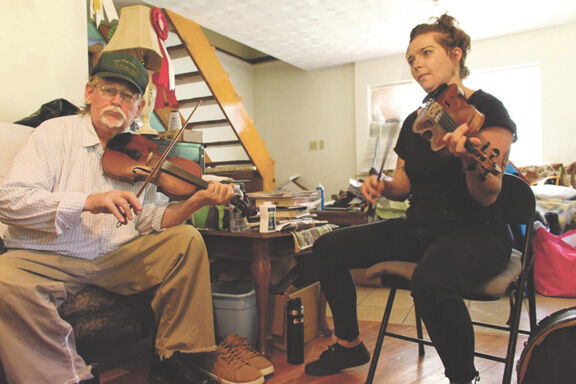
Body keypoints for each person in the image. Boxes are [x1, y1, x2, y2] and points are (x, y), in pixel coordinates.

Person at [0, 52, 269, 384]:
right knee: (3, 278)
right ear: (89, 93)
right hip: (48, 255)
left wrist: (193, 202)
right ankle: (67, 377)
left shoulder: (143, 150)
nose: (117, 101)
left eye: (128, 97)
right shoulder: (53, 134)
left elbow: (149, 219)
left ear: (139, 108)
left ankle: (177, 359)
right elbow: (9, 201)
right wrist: (87, 202)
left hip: (116, 256)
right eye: (109, 90)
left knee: (186, 240)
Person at [305, 14, 516, 384]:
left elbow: (489, 193)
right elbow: (403, 183)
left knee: (431, 281)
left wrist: (468, 158)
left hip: (476, 232)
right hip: (421, 227)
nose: (416, 63)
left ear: (455, 54)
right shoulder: (415, 122)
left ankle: (463, 378)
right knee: (325, 247)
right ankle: (349, 343)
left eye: (425, 52)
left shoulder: (487, 109)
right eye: (410, 58)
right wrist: (380, 185)